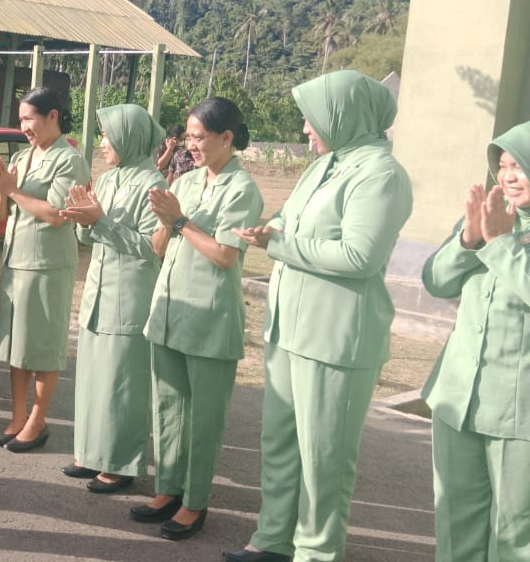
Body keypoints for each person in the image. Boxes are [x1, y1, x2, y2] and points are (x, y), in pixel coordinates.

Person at [224, 71, 413, 562]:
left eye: (313, 119)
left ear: (343, 115)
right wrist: (274, 228)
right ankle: (272, 540)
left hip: (336, 338)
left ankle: (316, 552)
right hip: (290, 328)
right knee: (281, 443)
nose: (306, 130)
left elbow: (360, 257)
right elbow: (287, 215)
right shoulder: (324, 166)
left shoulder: (380, 174)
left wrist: (280, 244)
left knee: (324, 458)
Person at [136, 96, 263, 541]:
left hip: (209, 317)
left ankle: (195, 501)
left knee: (204, 417)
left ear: (226, 138)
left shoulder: (243, 189)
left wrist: (181, 221)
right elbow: (158, 248)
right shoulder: (186, 182)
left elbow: (226, 256)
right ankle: (167, 489)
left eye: (198, 136)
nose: (190, 144)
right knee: (167, 408)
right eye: (187, 135)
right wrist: (163, 221)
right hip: (170, 310)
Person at [419, 123, 530, 562]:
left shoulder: (502, 229)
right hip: (458, 398)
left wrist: (501, 243)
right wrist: (468, 238)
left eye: (519, 164)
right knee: (455, 520)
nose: (508, 175)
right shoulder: (490, 216)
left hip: (518, 413)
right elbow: (436, 281)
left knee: (515, 534)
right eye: (502, 165)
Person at [59, 103, 166, 493]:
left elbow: (152, 247)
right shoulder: (108, 178)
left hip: (129, 295)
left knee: (122, 384)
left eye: (108, 136)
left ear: (129, 138)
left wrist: (99, 222)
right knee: (93, 379)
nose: (103, 144)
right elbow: (92, 235)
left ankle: (120, 464)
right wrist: (82, 219)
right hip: (98, 292)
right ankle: (91, 453)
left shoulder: (154, 184)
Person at [0, 87, 90, 452]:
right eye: (20, 120)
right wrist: (1, 188)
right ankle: (17, 416)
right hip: (17, 262)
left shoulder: (69, 160)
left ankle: (37, 420)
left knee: (43, 346)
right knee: (17, 344)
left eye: (30, 119)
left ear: (53, 116)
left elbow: (57, 215)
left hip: (47, 265)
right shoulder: (25, 156)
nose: (25, 127)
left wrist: (13, 191)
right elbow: (0, 214)